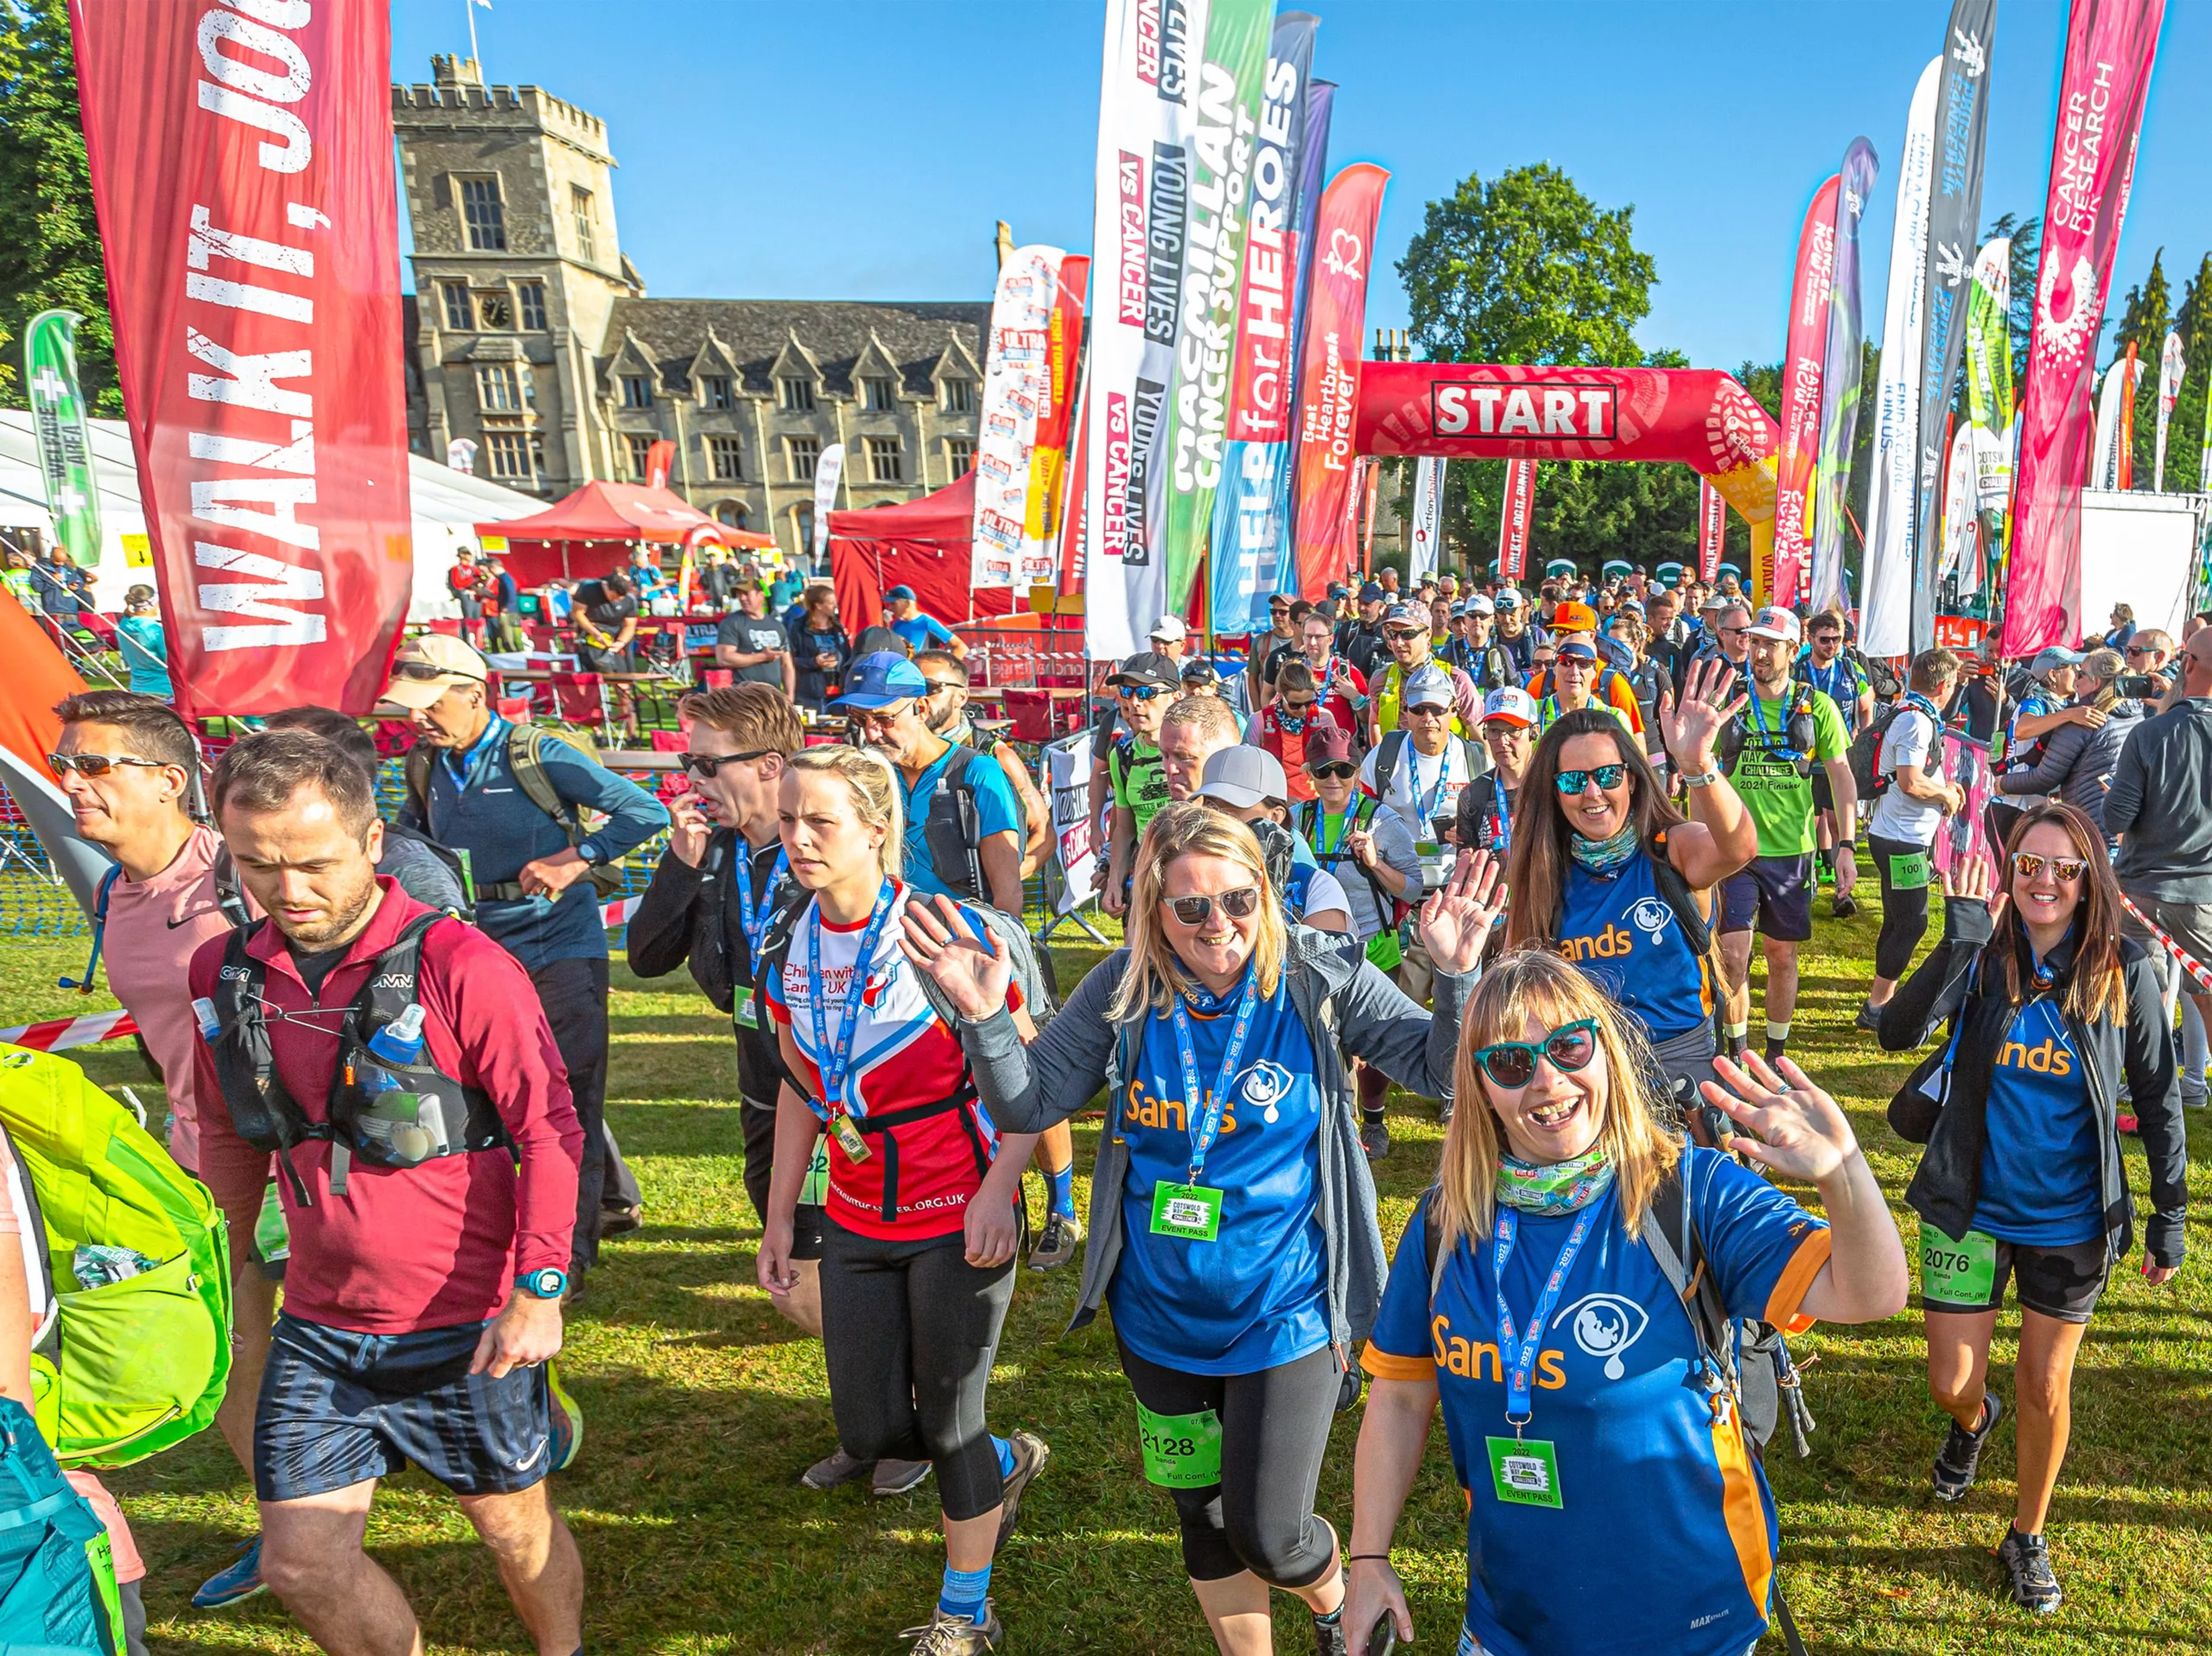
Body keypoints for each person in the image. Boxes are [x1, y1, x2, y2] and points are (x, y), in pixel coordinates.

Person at [904, 802, 1495, 1656]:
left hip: (1285, 1309)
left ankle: (1333, 1601)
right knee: (1204, 1511)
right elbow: (1030, 1100)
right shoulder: (1121, 986)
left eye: (1239, 899)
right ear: (1154, 909)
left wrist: (1456, 977)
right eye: (1192, 908)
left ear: (1264, 891)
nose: (1221, 925)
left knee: (1272, 1530)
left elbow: (1442, 1072)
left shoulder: (1318, 975)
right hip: (1155, 1319)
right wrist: (987, 1016)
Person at [1345, 950, 1908, 1656]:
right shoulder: (1445, 1222)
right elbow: (1399, 1398)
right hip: (1512, 1620)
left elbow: (1874, 1293)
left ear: (1604, 1049)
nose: (1548, 1080)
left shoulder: (1688, 1191)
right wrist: (1367, 1556)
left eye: (1568, 1045)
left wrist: (1842, 1171)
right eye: (1513, 1064)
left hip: (1687, 1615)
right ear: (1481, 1086)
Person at [188, 730, 587, 1656]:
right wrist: (213, 1260)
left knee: (511, 1531)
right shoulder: (225, 972)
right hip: (321, 1327)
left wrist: (540, 1291)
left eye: (315, 863)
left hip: (466, 1325)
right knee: (299, 1563)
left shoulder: (464, 966)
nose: (290, 891)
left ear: (373, 844)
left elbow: (549, 1131)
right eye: (259, 865)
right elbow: (229, 1136)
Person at [756, 746, 1048, 1654]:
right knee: (877, 1425)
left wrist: (1004, 1189)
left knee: (949, 1417)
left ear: (876, 833)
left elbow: (1034, 1080)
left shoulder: (944, 928)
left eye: (821, 822)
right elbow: (805, 1087)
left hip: (960, 1210)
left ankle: (965, 1608)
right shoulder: (785, 940)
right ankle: (1008, 1463)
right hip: (853, 1213)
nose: (797, 838)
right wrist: (779, 1217)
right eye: (790, 817)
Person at [1877, 806, 2187, 1612]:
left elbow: (2156, 1097)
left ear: (2089, 883)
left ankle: (2027, 1533)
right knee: (1952, 1381)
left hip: (2072, 1220)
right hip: (1969, 1205)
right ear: (2009, 872)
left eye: (2062, 868)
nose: (2043, 880)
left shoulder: (2125, 966)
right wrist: (1958, 935)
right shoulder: (1983, 954)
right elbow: (1897, 1034)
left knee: (2047, 1387)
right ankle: (1974, 1425)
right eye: (2028, 865)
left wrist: (2169, 1212)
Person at [47, 690, 277, 1609]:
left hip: (316, 1148)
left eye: (94, 765)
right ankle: (289, 1521)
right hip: (207, 1152)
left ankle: (519, 1415)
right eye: (67, 764)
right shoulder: (110, 890)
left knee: (385, 1326)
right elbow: (162, 1032)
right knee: (227, 1341)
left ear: (169, 779)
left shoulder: (242, 869)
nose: (72, 782)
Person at [384, 633, 671, 1278]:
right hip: (474, 953)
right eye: (410, 705)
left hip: (558, 947)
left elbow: (645, 810)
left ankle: (563, 1263)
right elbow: (414, 840)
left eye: (429, 703)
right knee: (502, 1090)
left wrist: (576, 860)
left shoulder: (535, 753)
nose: (415, 717)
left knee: (564, 1092)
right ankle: (614, 1199)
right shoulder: (427, 763)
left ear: (475, 695)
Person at [1501, 658, 1757, 1126]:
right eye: (1574, 781)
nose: (1593, 792)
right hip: (1590, 1074)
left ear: (1632, 779)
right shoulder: (1543, 875)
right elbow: (1524, 990)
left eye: (1608, 775)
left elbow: (1738, 845)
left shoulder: (1669, 849)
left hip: (1683, 1074)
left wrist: (1698, 766)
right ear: (1556, 794)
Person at [1714, 606, 1855, 1064]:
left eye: (1770, 645)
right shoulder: (1730, 701)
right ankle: (1735, 1052)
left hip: (1792, 851)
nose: (1759, 652)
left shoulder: (1818, 707)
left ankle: (1774, 1053)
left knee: (1780, 955)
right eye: (1754, 642)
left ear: (1793, 651)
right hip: (1734, 849)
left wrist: (1847, 847)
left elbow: (1841, 776)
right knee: (1733, 957)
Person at [1298, 725, 1424, 1158]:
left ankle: (1373, 1121)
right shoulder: (1299, 820)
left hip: (1374, 948)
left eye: (1344, 770)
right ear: (1309, 772)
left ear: (1357, 769)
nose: (1334, 780)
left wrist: (1374, 863)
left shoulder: (1382, 820)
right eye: (1324, 770)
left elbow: (1411, 888)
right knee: (1323, 1042)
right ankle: (1334, 1122)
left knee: (1374, 1044)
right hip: (1313, 952)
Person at [2103, 626, 2212, 1118]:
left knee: (2135, 993)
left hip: (2141, 889)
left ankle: (2141, 1085)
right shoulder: (2156, 730)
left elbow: (2116, 818)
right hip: (2200, 892)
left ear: (2185, 665)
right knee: (2203, 993)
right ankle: (2185, 1083)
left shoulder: (2150, 732)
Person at [258, 706, 470, 914]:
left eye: (277, 765)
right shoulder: (248, 853)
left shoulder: (409, 870)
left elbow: (453, 945)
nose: (253, 776)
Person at [1857, 648, 1967, 1030]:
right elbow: (1909, 781)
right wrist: (1946, 795)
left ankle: (1878, 997)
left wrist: (1943, 786)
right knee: (1912, 923)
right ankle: (1877, 1008)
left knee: (1897, 920)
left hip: (1896, 835)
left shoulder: (1911, 713)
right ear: (1942, 686)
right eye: (1953, 685)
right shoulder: (1918, 722)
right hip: (1903, 842)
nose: (1954, 692)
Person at [917, 648, 1052, 878]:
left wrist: (1004, 880)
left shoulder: (994, 756)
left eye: (931, 688)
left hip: (967, 905)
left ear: (961, 697)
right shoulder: (894, 755)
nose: (920, 698)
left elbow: (1044, 833)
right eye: (912, 688)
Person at [1192, 747, 1353, 933]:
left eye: (1231, 813)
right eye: (1210, 810)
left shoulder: (1314, 886)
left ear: (1276, 816)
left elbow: (1325, 960)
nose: (1218, 822)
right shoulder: (1188, 880)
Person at [1996, 647, 2141, 847]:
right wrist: (2068, 715)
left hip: (2087, 826)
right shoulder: (2037, 701)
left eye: (2080, 672)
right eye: (2073, 669)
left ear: (2096, 682)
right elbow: (2022, 729)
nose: (2076, 676)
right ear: (2053, 675)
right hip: (2118, 827)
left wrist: (2003, 783)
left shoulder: (2080, 715)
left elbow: (2047, 776)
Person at [1800, 609, 1873, 919]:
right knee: (1809, 821)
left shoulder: (1851, 669)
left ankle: (1843, 891)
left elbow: (1866, 705)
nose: (1832, 646)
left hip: (1839, 756)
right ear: (1810, 639)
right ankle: (1812, 877)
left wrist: (1862, 741)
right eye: (1825, 640)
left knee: (1837, 820)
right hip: (1804, 758)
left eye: (1837, 640)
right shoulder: (1797, 670)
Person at [1099, 653, 1179, 919]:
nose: (1135, 702)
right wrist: (1114, 881)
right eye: (1127, 692)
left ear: (1175, 697)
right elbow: (1124, 828)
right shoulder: (1121, 755)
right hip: (1145, 876)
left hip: (1189, 875)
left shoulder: (1200, 751)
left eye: (1146, 692)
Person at [1369, 605, 1481, 742]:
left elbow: (1480, 739)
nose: (1398, 642)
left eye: (1407, 634)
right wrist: (1379, 758)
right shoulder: (1381, 678)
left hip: (1446, 761)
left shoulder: (1456, 679)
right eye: (1393, 634)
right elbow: (1374, 723)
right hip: (1398, 761)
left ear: (1427, 634)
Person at [1454, 687, 1537, 859]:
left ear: (1534, 731)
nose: (1502, 740)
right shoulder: (1472, 795)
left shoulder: (1554, 786)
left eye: (1513, 730)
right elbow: (1465, 862)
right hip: (1493, 885)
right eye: (1494, 731)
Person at [1247, 660, 1343, 804]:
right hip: (1274, 803)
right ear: (1280, 695)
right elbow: (1248, 774)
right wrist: (1279, 800)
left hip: (1318, 804)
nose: (1303, 710)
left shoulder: (1325, 718)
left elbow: (1337, 765)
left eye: (1309, 703)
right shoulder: (1258, 721)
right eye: (1295, 705)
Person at [714, 581, 797, 696]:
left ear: (761, 595)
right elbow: (724, 658)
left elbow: (786, 664)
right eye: (739, 595)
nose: (742, 598)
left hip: (774, 695)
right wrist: (762, 656)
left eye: (746, 594)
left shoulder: (777, 625)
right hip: (745, 696)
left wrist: (790, 696)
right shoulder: (732, 623)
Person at [1299, 608, 1370, 736]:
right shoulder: (1295, 672)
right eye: (1308, 636)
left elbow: (1369, 718)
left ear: (1330, 639)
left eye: (1318, 637)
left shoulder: (1347, 671)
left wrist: (1356, 698)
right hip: (1303, 748)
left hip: (1341, 750)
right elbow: (1276, 710)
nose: (1312, 642)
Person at [791, 585, 849, 713]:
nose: (835, 606)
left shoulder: (838, 626)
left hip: (838, 692)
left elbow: (847, 655)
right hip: (811, 694)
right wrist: (814, 662)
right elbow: (789, 660)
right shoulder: (799, 628)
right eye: (831, 603)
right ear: (818, 605)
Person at [111, 584, 173, 698]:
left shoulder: (123, 626)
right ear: (152, 604)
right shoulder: (155, 630)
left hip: (137, 688)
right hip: (163, 689)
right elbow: (171, 662)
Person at [573, 570, 639, 673]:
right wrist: (595, 633)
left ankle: (625, 686)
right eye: (614, 597)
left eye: (619, 598)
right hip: (593, 630)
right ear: (607, 588)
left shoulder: (630, 600)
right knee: (600, 666)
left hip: (618, 632)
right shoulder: (588, 589)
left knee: (625, 671)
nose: (616, 600)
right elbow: (578, 614)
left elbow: (630, 625)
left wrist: (621, 642)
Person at [885, 585, 967, 659]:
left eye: (893, 604)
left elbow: (961, 647)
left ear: (908, 603)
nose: (890, 608)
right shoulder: (897, 624)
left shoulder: (927, 623)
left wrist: (945, 671)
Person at [1338, 583, 1390, 681]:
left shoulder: (1388, 632)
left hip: (1378, 690)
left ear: (1380, 606)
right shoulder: (1348, 629)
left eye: (1367, 604)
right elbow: (1338, 661)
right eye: (1360, 602)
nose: (1361, 608)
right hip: (1350, 689)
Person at [481, 557, 524, 653]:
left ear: (494, 567)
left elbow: (510, 593)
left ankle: (514, 657)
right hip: (512, 611)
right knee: (513, 638)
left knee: (508, 638)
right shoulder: (507, 578)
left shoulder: (504, 579)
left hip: (508, 612)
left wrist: (505, 608)